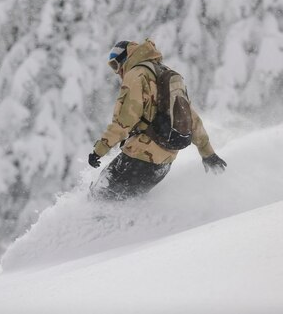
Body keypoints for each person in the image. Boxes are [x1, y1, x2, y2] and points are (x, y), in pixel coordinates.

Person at [88, 39, 227, 200]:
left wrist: (99, 150)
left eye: (115, 64)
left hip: (139, 156)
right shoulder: (166, 74)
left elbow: (124, 120)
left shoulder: (136, 75)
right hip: (162, 164)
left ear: (127, 57)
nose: (117, 71)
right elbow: (192, 118)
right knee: (127, 206)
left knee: (99, 199)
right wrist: (208, 153)